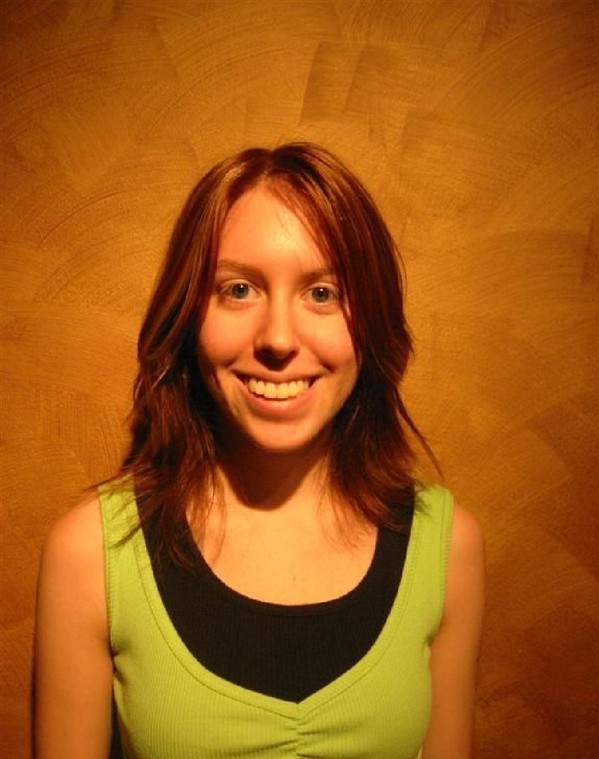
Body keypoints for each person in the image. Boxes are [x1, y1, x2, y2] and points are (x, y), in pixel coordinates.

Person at [34, 143, 485, 759]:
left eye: (322, 293)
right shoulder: (91, 555)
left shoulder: (446, 547)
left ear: (373, 320)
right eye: (239, 289)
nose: (277, 338)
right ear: (188, 316)